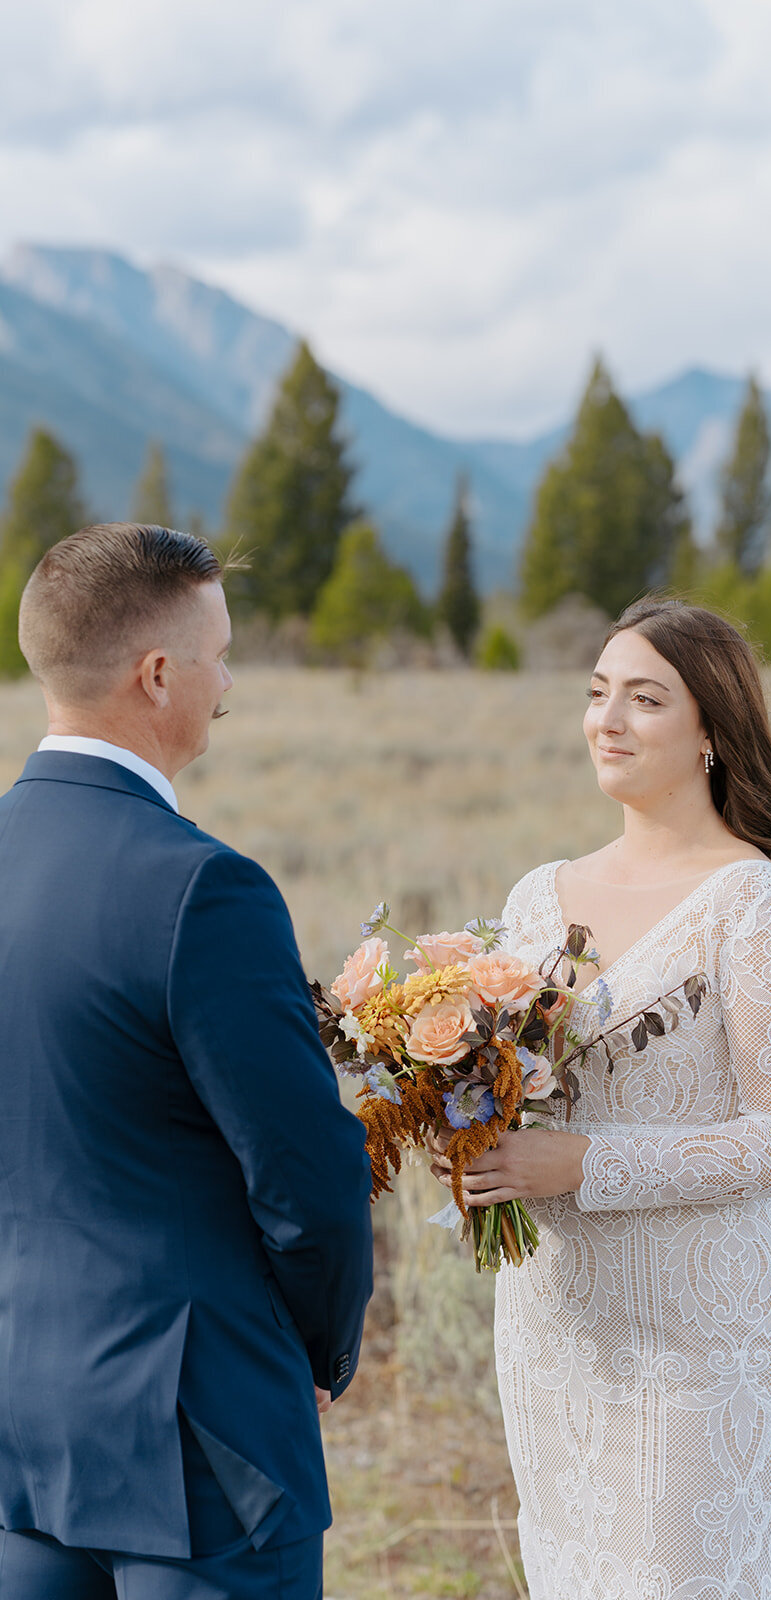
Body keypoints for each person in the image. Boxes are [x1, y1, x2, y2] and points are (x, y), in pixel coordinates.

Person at [431, 597, 771, 1600]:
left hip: (700, 1341)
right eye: (598, 692)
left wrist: (587, 1165)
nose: (606, 720)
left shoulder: (757, 906)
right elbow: (514, 1078)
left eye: (645, 698)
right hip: (553, 1322)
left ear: (710, 731)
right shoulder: (538, 896)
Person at [0, 523, 373, 1599]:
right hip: (200, 1436)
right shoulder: (203, 888)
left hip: (26, 1411)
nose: (228, 678)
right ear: (157, 674)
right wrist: (313, 1353)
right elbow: (309, 1179)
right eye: (219, 652)